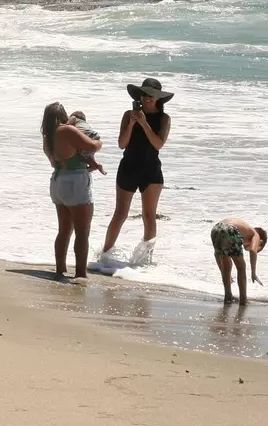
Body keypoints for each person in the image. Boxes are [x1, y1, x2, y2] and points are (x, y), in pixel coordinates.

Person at [100, 77, 173, 260]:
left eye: (151, 95)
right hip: (129, 167)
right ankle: (105, 254)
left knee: (149, 216)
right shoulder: (128, 115)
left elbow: (158, 144)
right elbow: (121, 144)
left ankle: (145, 260)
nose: (146, 98)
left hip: (151, 171)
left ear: (158, 98)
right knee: (120, 214)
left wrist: (144, 123)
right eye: (144, 95)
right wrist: (133, 123)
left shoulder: (164, 118)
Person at [42, 102, 104, 279]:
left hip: (58, 180)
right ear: (63, 115)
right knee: (82, 232)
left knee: (64, 230)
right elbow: (91, 146)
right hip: (75, 181)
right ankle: (80, 274)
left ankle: (60, 269)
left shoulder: (48, 136)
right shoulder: (66, 131)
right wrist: (99, 142)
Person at [211, 218, 268, 304]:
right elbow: (253, 251)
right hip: (231, 229)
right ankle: (243, 300)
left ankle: (228, 296)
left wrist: (224, 273)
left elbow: (217, 256)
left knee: (226, 264)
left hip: (216, 229)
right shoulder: (256, 234)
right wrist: (253, 273)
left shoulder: (245, 229)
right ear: (260, 242)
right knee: (241, 267)